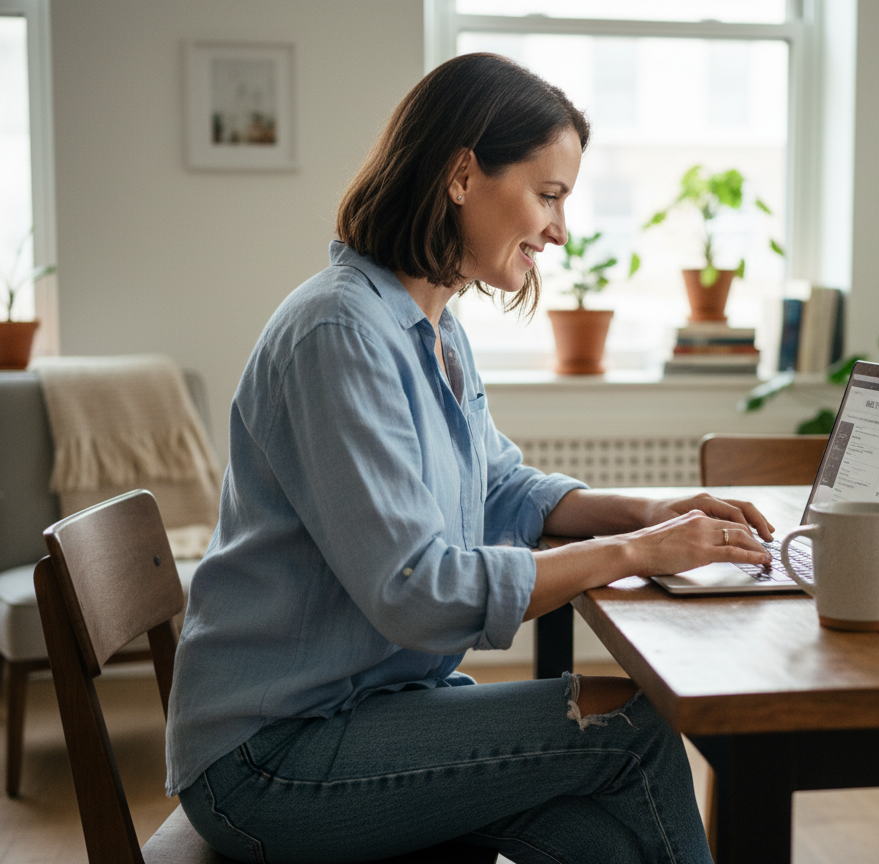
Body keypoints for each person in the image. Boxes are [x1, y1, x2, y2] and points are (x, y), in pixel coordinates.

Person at [166, 53, 774, 864]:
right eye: (549, 194)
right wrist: (632, 554)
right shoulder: (340, 334)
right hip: (273, 760)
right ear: (461, 175)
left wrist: (652, 511)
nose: (560, 228)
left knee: (616, 840)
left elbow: (497, 484)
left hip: (376, 710)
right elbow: (415, 591)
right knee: (628, 728)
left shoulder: (433, 326)